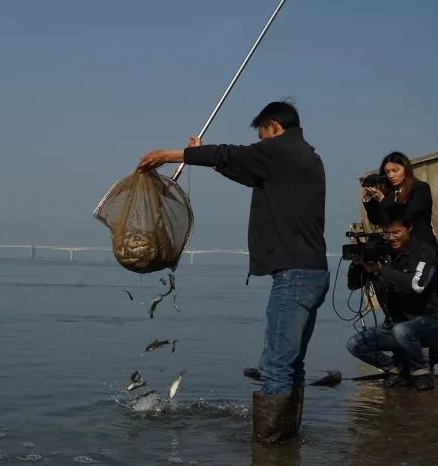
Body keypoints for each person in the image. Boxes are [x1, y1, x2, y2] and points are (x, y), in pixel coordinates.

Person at [136, 101, 327, 443]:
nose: (260, 142)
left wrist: (170, 154)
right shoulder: (305, 157)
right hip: (313, 272)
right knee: (291, 363)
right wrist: (203, 159)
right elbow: (244, 169)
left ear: (273, 127)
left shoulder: (281, 151)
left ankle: (269, 451)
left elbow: (231, 154)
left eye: (261, 135)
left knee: (275, 366)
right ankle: (287, 444)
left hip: (294, 276)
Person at [362, 151, 438, 373]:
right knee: (398, 303)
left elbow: (408, 215)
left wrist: (384, 200)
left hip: (422, 250)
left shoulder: (420, 189)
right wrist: (369, 199)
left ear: (406, 169)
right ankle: (404, 359)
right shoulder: (390, 194)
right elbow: (379, 219)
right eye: (387, 172)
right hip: (399, 253)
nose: (391, 176)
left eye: (395, 170)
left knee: (430, 301)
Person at [345, 210, 438, 391]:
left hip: (429, 323)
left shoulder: (424, 252)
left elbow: (417, 285)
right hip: (395, 325)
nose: (391, 238)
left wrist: (381, 270)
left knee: (402, 330)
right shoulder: (381, 254)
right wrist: (358, 264)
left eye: (396, 232)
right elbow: (353, 286)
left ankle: (419, 372)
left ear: (409, 228)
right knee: (355, 344)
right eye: (386, 233)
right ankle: (396, 369)